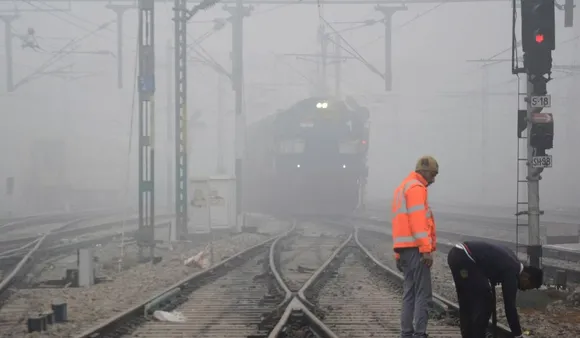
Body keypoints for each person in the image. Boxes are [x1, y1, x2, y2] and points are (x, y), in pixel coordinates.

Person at [447, 240, 543, 338]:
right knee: (485, 300)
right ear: (526, 276)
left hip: (456, 254)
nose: (525, 289)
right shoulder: (511, 271)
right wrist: (518, 335)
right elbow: (510, 307)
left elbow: (491, 261)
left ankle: (468, 335)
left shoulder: (512, 260)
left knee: (466, 301)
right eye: (529, 286)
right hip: (466, 257)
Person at [392, 155, 439, 338]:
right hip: (416, 250)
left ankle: (406, 333)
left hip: (404, 249)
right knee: (423, 294)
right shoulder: (416, 188)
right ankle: (420, 334)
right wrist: (425, 249)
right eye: (433, 174)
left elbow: (399, 224)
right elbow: (418, 221)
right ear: (424, 171)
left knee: (409, 293)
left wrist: (397, 254)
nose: (434, 179)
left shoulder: (402, 188)